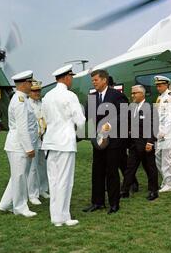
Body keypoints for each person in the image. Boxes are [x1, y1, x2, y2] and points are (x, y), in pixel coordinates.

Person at [41, 64, 85, 227]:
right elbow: (80, 121)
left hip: (51, 141)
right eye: (71, 77)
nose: (71, 80)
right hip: (65, 142)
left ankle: (56, 217)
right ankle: (63, 216)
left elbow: (44, 118)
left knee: (53, 180)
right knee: (65, 180)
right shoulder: (70, 96)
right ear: (67, 77)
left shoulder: (47, 96)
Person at [83, 69, 129, 214]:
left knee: (112, 173)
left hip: (114, 142)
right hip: (98, 142)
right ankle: (97, 202)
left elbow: (125, 115)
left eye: (96, 80)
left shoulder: (117, 96)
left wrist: (111, 124)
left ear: (104, 80)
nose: (94, 82)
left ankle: (114, 204)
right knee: (97, 172)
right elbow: (89, 119)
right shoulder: (91, 97)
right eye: (92, 81)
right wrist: (92, 138)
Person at [0, 70, 37, 217]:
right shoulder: (20, 101)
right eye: (30, 82)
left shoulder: (21, 98)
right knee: (20, 177)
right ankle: (20, 207)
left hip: (17, 144)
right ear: (24, 84)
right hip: (19, 145)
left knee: (16, 176)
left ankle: (5, 204)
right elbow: (22, 128)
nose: (31, 85)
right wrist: (29, 148)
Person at [120, 85, 159, 201]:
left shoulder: (151, 108)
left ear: (142, 94)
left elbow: (155, 126)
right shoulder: (131, 108)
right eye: (132, 93)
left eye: (135, 93)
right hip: (133, 144)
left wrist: (150, 142)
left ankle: (153, 191)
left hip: (146, 144)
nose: (132, 95)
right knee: (130, 168)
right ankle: (124, 190)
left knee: (150, 168)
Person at [154, 75, 171, 192]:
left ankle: (168, 184)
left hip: (169, 132)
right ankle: (170, 177)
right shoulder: (160, 97)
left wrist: (164, 131)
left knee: (167, 158)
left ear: (166, 85)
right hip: (160, 131)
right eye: (157, 86)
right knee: (157, 156)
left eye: (160, 85)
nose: (158, 88)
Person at [27, 80, 50, 205]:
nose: (37, 93)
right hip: (33, 140)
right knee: (33, 168)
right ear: (29, 91)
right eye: (34, 90)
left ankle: (43, 189)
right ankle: (32, 194)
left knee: (43, 166)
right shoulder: (27, 105)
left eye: (38, 90)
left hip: (44, 139)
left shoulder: (42, 103)